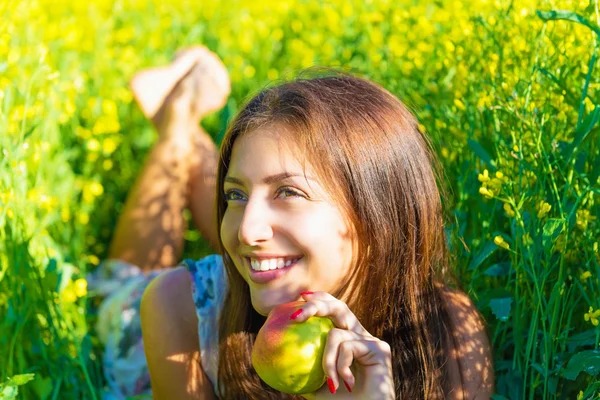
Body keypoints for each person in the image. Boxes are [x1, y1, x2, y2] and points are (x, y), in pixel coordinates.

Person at [91, 46, 494, 399]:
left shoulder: (445, 335)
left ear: (378, 216)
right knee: (125, 279)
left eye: (288, 193)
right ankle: (179, 121)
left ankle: (181, 121)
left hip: (273, 266)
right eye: (234, 195)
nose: (247, 228)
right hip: (154, 330)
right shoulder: (175, 307)